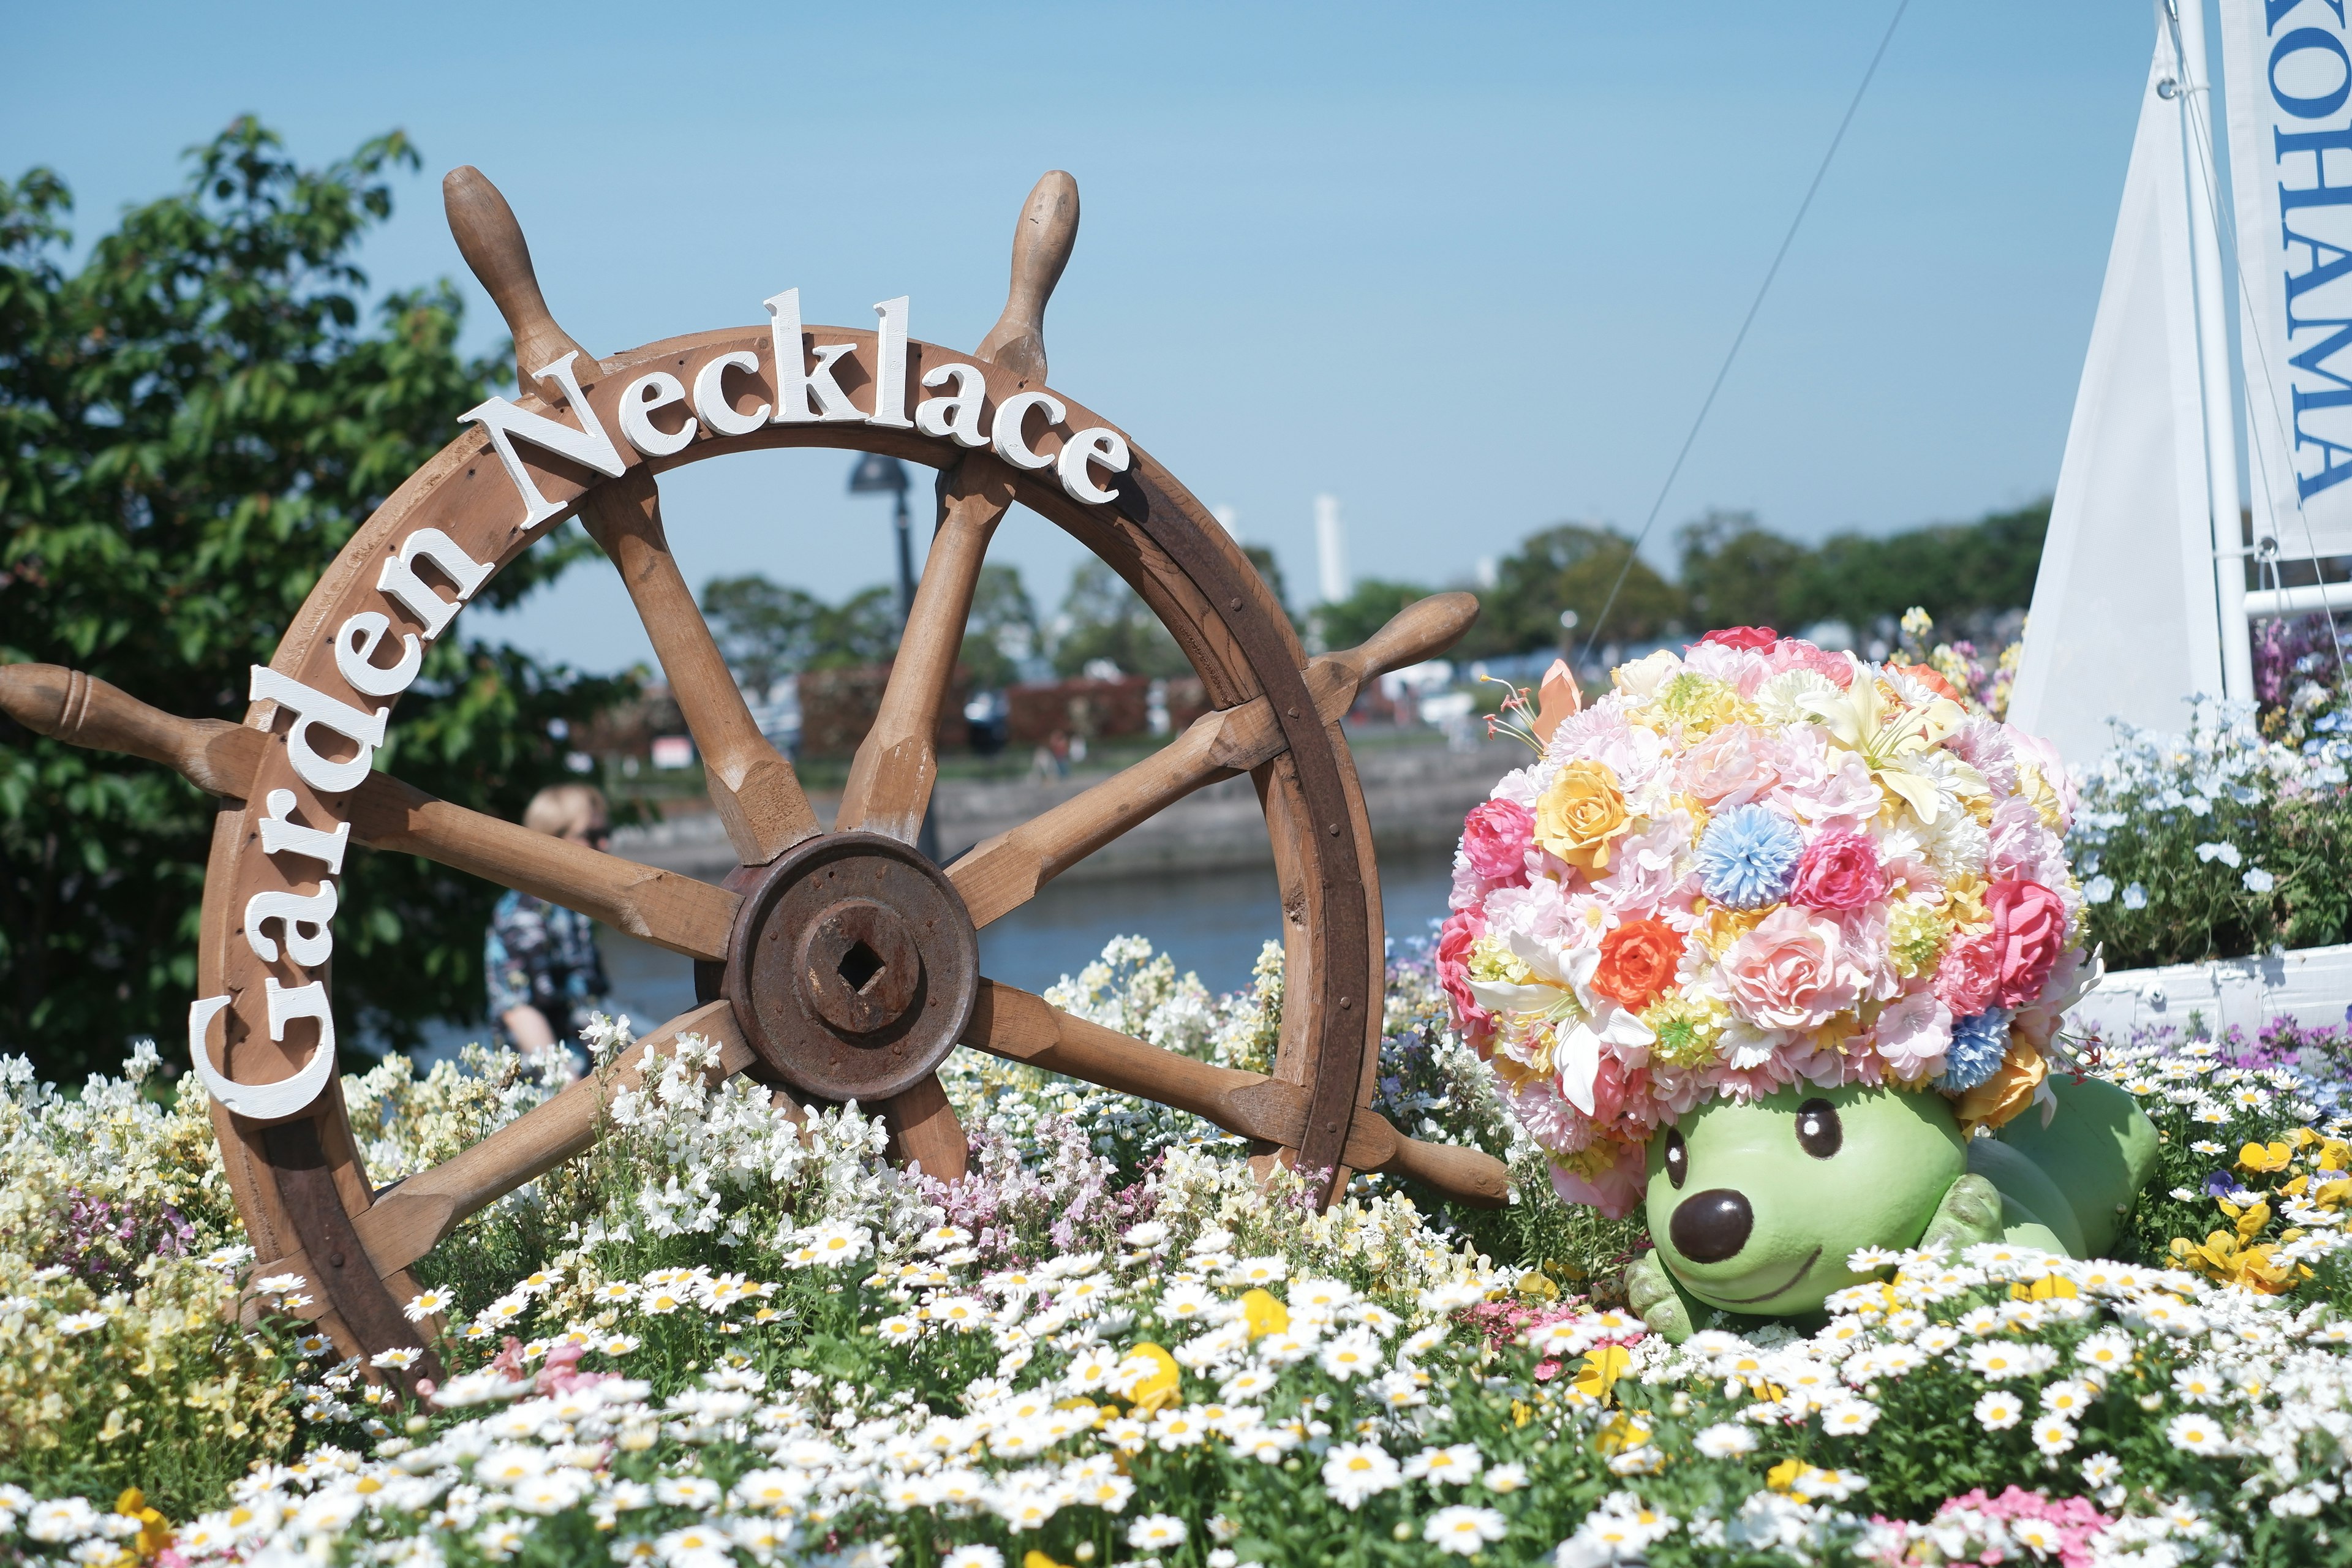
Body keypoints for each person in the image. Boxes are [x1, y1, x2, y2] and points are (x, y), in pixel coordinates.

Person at [485, 783, 614, 1077]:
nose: (604, 845)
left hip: (589, 1072)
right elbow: (519, 1011)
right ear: (551, 840)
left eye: (607, 834)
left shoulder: (571, 908)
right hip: (540, 1086)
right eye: (591, 836)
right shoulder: (523, 913)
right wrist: (569, 1088)